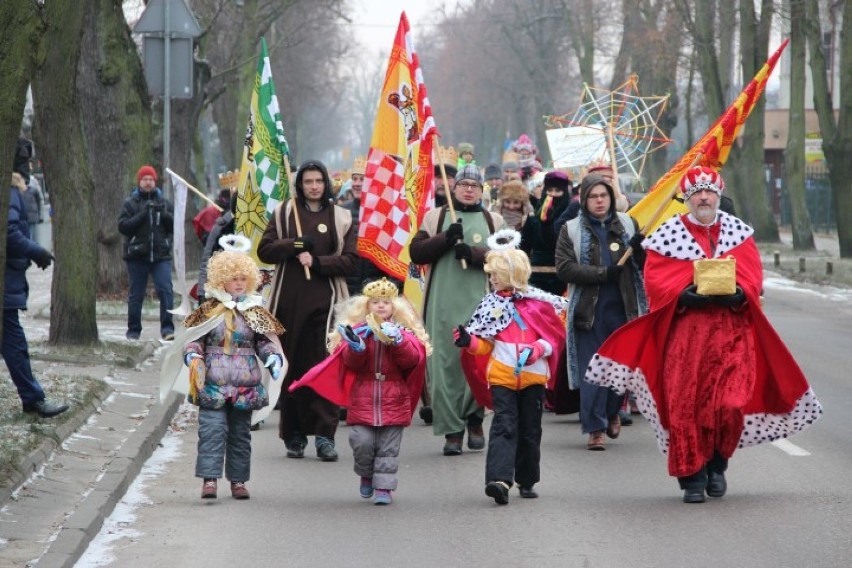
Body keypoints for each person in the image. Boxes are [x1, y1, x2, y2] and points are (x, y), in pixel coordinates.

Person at [584, 166, 823, 502]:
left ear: (718, 194)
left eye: (709, 191)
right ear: (687, 198)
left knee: (729, 403)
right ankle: (692, 477)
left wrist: (742, 293)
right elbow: (656, 280)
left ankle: (717, 463)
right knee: (686, 407)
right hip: (686, 336)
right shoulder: (668, 234)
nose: (704, 197)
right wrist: (681, 295)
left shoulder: (738, 232)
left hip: (732, 334)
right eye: (697, 192)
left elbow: (753, 276)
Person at [162, 236, 285, 499]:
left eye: (243, 279)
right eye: (233, 279)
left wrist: (272, 356)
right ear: (221, 280)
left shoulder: (255, 312)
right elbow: (193, 340)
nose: (239, 284)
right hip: (213, 382)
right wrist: (193, 357)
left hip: (246, 385)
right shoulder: (209, 310)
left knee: (240, 436)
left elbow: (264, 341)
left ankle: (238, 481)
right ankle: (210, 479)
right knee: (211, 432)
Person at [289, 278, 431, 505]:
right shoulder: (357, 330)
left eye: (386, 302)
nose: (381, 306)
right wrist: (356, 347)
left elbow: (412, 360)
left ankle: (384, 488)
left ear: (395, 306)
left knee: (388, 448)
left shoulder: (402, 332)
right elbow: (351, 364)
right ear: (366, 306)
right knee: (361, 442)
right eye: (375, 302)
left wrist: (397, 341)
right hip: (363, 394)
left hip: (394, 396)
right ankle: (366, 473)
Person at [454, 233, 567, 504]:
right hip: (503, 376)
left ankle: (527, 480)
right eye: (491, 274)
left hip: (533, 378)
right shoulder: (489, 304)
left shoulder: (538, 303)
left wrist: (538, 350)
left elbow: (554, 338)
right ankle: (499, 480)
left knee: (530, 430)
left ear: (512, 273)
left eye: (496, 274)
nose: (492, 279)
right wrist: (469, 342)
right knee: (503, 426)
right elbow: (485, 346)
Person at [257, 159, 358, 461]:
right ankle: (294, 435)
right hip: (288, 302)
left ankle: (325, 436)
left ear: (327, 184)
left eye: (318, 181)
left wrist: (318, 261)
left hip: (326, 304)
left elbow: (352, 261)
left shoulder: (340, 217)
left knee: (325, 367)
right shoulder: (285, 213)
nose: (314, 186)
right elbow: (265, 250)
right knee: (292, 369)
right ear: (300, 185)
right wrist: (294, 245)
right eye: (308, 182)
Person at [409, 164, 504, 455]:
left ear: (481, 190)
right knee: (445, 364)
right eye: (463, 184)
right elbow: (417, 253)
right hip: (442, 301)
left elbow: (506, 259)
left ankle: (474, 421)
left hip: (480, 302)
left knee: (477, 360)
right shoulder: (436, 217)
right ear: (454, 187)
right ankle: (452, 431)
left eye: (474, 186)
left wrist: (475, 255)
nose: (468, 189)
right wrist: (445, 239)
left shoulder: (493, 220)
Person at [555, 173, 647, 451]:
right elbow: (564, 268)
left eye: (603, 196)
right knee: (591, 371)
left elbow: (645, 266)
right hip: (589, 311)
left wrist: (641, 251)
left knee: (619, 369)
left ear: (611, 198)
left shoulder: (629, 224)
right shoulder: (570, 229)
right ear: (584, 200)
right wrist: (602, 273)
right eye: (593, 196)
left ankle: (610, 412)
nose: (599, 201)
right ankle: (594, 428)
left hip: (623, 309)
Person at [5, 173, 67, 418]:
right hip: (6, 285)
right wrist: (36, 251)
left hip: (9, 282)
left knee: (14, 346)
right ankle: (33, 399)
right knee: (15, 346)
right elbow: (10, 234)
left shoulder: (14, 192)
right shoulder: (10, 191)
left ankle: (33, 399)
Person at [117, 165, 175, 341]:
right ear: (139, 182)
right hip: (137, 255)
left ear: (155, 182)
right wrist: (143, 214)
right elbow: (123, 227)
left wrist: (164, 214)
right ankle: (133, 331)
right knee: (136, 294)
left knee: (165, 290)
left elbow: (174, 227)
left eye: (151, 179)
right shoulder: (130, 203)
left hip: (160, 255)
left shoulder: (164, 202)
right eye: (145, 179)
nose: (148, 182)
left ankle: (167, 329)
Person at [521, 170, 572, 296]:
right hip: (536, 281)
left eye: (558, 191)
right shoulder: (533, 219)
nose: (553, 195)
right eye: (550, 190)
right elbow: (523, 250)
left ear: (564, 193)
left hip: (565, 280)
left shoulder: (573, 219)